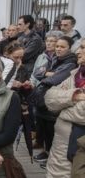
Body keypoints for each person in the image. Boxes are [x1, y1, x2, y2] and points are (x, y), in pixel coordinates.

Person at [32, 36, 78, 169]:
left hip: (54, 101)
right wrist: (48, 73)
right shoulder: (53, 59)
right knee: (45, 130)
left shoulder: (70, 63)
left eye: (62, 47)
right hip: (43, 99)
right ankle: (46, 152)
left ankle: (51, 157)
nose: (58, 49)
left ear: (70, 49)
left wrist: (46, 74)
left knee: (53, 133)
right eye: (57, 46)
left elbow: (55, 79)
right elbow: (36, 72)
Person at [43, 38, 85, 177]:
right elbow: (49, 98)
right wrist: (74, 96)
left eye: (83, 48)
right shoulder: (75, 74)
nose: (77, 51)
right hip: (60, 150)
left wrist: (64, 108)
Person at [28, 30, 64, 148]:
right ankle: (39, 140)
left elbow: (56, 75)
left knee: (48, 121)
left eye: (53, 41)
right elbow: (36, 72)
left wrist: (44, 73)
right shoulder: (42, 56)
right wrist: (32, 84)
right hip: (38, 89)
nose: (49, 43)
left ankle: (47, 146)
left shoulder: (59, 58)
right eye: (47, 41)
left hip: (50, 91)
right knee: (37, 116)